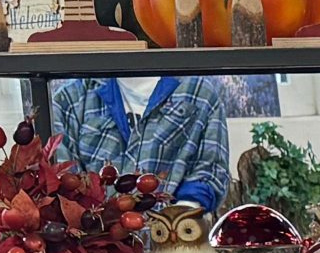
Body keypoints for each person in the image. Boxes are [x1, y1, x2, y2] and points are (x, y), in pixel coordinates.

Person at [53, 73, 231, 214]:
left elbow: (211, 166)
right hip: (96, 243)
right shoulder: (72, 98)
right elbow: (63, 175)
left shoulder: (198, 92)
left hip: (174, 240)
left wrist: (183, 211)